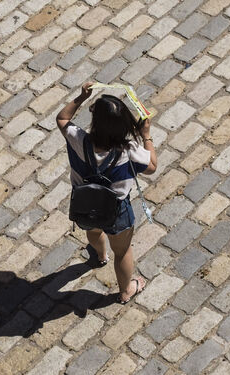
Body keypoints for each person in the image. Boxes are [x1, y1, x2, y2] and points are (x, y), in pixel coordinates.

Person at [56, 82, 158, 304]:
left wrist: (81, 97)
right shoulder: (130, 151)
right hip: (117, 210)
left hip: (85, 203)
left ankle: (100, 256)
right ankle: (126, 290)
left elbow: (62, 119)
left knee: (93, 231)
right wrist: (146, 136)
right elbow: (152, 166)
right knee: (122, 252)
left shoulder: (79, 139)